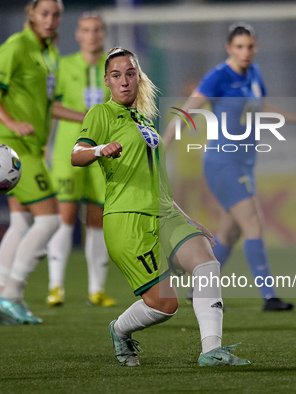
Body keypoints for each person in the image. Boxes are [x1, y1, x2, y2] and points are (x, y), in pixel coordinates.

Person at [71, 47, 250, 366]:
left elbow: (158, 184)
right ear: (107, 81)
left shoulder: (143, 120)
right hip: (128, 219)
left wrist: (188, 219)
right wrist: (100, 150)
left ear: (139, 78)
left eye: (130, 74)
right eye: (116, 75)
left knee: (207, 265)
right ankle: (119, 330)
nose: (124, 81)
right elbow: (77, 153)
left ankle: (212, 351)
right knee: (164, 305)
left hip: (165, 213)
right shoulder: (101, 114)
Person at [163, 23, 296, 311]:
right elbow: (187, 111)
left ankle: (197, 284)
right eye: (239, 47)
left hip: (245, 163)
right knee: (253, 223)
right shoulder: (218, 77)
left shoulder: (253, 74)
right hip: (223, 162)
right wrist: (162, 147)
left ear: (255, 47)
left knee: (231, 233)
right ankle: (269, 297)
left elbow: (262, 107)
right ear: (229, 48)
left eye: (249, 46)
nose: (245, 52)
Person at [0, 0, 84, 325]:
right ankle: (12, 295)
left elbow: (49, 106)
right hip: (14, 149)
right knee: (50, 221)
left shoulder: (50, 53)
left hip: (31, 148)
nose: (50, 20)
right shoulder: (16, 46)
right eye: (44, 13)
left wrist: (85, 117)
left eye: (55, 15)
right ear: (31, 14)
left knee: (21, 223)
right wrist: (12, 124)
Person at [45, 13, 116, 308]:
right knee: (65, 216)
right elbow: (51, 106)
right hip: (68, 150)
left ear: (104, 34)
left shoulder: (114, 67)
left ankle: (96, 289)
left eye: (97, 30)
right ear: (77, 35)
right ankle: (55, 286)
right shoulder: (64, 66)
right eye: (86, 30)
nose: (92, 35)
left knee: (97, 219)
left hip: (104, 152)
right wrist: (46, 145)